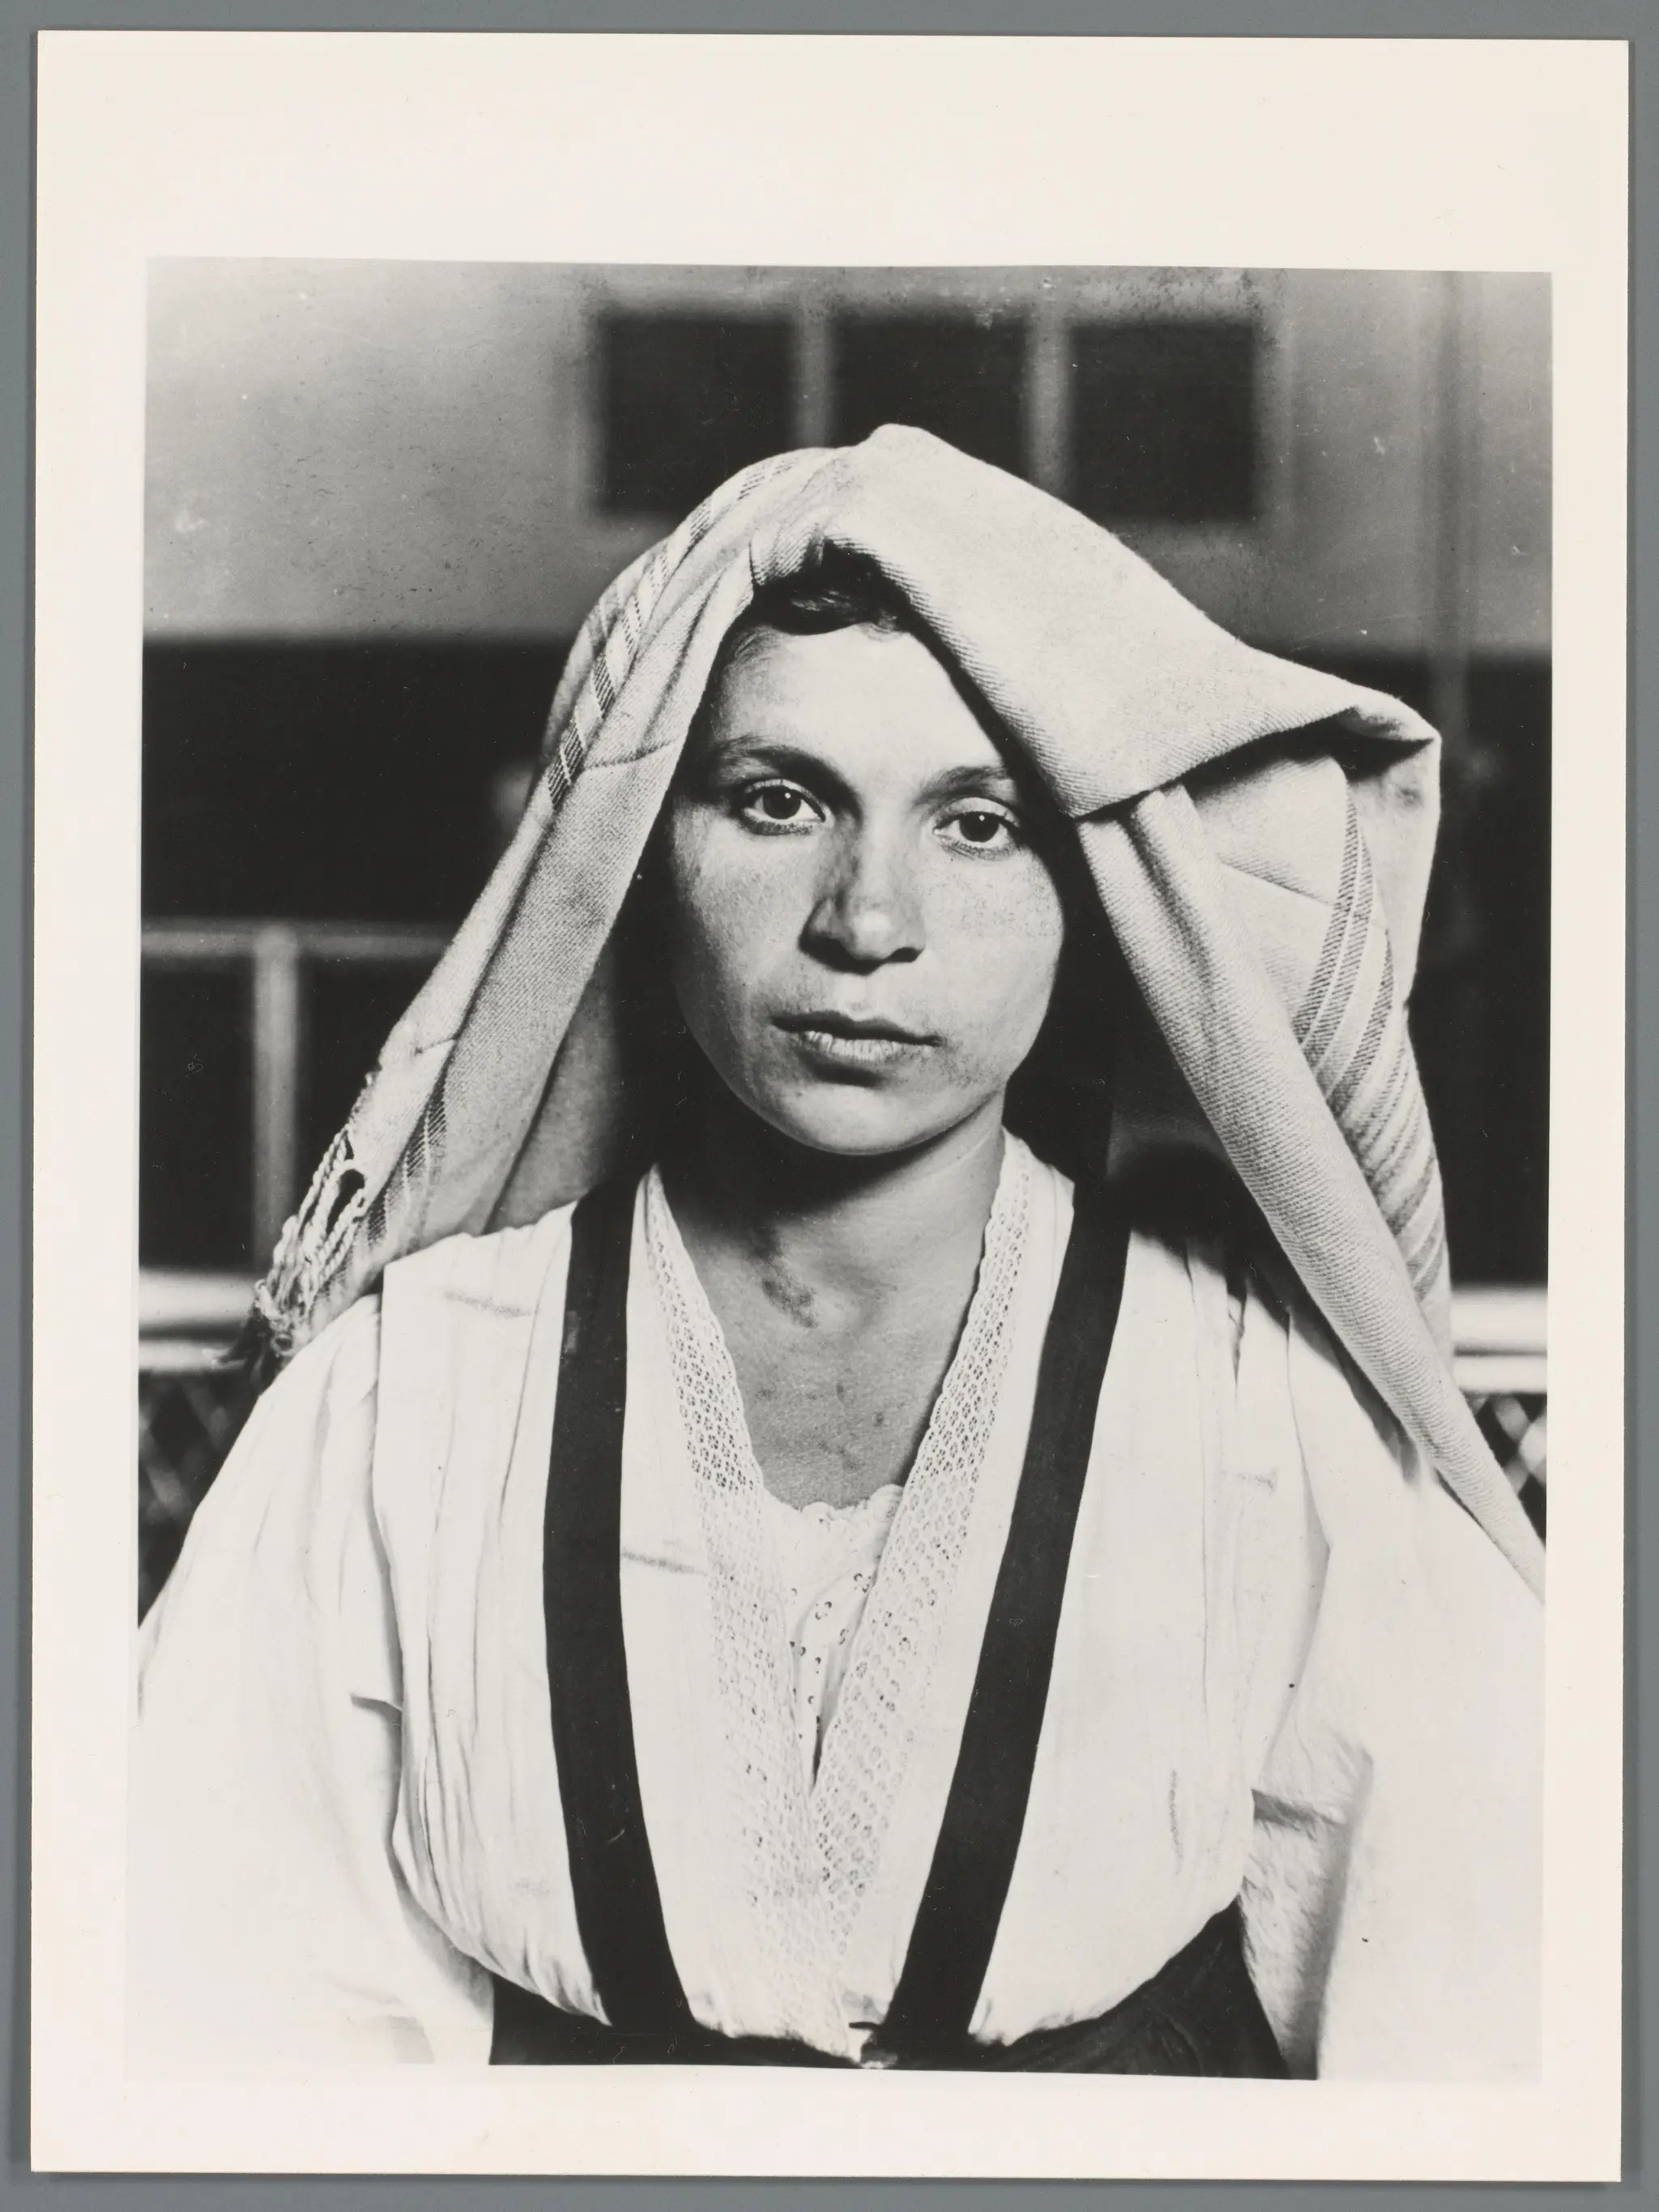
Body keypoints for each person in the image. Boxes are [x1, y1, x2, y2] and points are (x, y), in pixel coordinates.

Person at [132, 425, 1543, 2078]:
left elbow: (1480, 2040)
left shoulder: (1258, 1413)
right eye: (779, 800)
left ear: (1094, 890)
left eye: (979, 824)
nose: (867, 922)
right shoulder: (410, 1390)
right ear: (647, 853)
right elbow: (219, 2031)